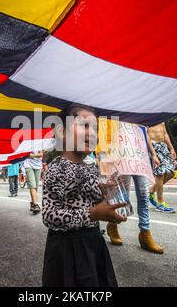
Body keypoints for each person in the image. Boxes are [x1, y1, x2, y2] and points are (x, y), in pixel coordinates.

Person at [42, 103, 126, 287]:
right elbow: (49, 216)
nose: (92, 133)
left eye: (95, 128)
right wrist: (92, 214)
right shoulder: (56, 168)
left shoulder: (93, 169)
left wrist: (112, 194)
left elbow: (99, 204)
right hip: (67, 249)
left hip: (94, 242)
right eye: (85, 126)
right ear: (62, 132)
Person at [106, 126, 164, 254]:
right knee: (123, 197)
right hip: (122, 156)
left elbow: (145, 134)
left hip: (140, 157)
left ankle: (145, 232)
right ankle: (112, 225)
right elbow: (108, 131)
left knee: (143, 194)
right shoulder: (119, 112)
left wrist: (153, 154)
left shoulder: (140, 113)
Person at [147, 123, 176, 213]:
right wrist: (154, 154)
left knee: (171, 173)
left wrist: (171, 148)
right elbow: (146, 135)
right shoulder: (148, 115)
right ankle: (160, 204)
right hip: (154, 146)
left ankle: (152, 189)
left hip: (163, 146)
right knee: (160, 173)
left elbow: (165, 133)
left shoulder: (161, 116)